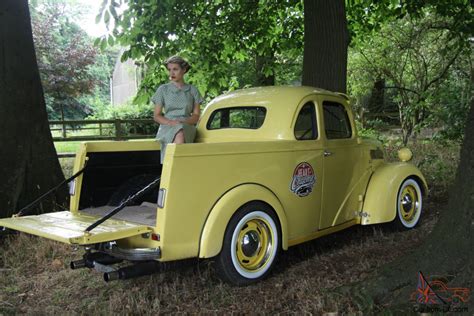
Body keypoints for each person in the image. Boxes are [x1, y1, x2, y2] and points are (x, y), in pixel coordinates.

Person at [151, 56, 203, 163]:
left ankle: (173, 167)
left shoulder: (193, 90)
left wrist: (182, 122)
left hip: (187, 125)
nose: (171, 73)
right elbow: (157, 115)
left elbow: (196, 116)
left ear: (183, 70)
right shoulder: (163, 90)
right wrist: (171, 122)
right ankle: (178, 167)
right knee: (178, 131)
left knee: (180, 130)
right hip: (167, 125)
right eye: (169, 70)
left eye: (175, 69)